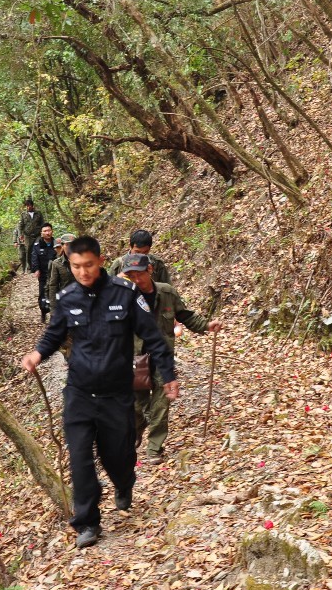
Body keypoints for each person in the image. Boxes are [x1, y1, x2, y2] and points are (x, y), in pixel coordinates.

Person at [22, 236, 178, 549]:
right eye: (76, 266)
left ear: (101, 260)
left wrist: (168, 374)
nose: (83, 272)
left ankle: (124, 482)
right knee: (80, 457)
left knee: (116, 455)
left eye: (89, 265)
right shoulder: (67, 298)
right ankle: (88, 523)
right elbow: (55, 333)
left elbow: (153, 335)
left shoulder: (126, 293)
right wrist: (38, 354)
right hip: (79, 391)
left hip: (116, 392)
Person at [117, 253, 221, 464]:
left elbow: (185, 315)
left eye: (139, 275)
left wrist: (206, 326)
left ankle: (154, 447)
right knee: (137, 403)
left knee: (162, 402)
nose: (136, 280)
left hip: (162, 357)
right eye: (131, 276)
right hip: (135, 357)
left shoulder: (166, 292)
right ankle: (135, 431)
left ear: (149, 271)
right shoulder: (123, 296)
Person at [28, 224, 57, 322]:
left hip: (56, 274)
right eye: (45, 231)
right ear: (41, 233)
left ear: (52, 231)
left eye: (49, 230)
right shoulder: (37, 245)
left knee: (55, 294)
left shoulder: (56, 243)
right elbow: (34, 258)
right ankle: (43, 312)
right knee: (43, 295)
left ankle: (54, 315)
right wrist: (36, 269)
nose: (47, 233)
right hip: (44, 275)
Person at [46, 233, 77, 313]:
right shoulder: (57, 263)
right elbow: (53, 285)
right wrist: (53, 308)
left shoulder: (84, 262)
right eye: (67, 245)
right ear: (62, 246)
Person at [17, 198, 46, 272]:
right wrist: (21, 235)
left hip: (37, 234)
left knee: (38, 248)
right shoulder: (23, 214)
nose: (28, 207)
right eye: (27, 206)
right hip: (27, 236)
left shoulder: (38, 213)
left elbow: (42, 223)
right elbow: (20, 226)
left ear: (32, 206)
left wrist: (43, 233)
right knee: (29, 251)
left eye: (29, 205)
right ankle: (30, 267)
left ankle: (40, 265)